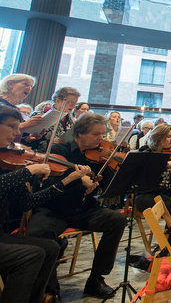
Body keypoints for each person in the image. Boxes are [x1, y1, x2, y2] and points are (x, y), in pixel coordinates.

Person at [25, 113, 127, 298]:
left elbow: (104, 189)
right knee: (38, 232)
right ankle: (49, 287)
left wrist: (101, 181)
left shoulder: (99, 157)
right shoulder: (60, 150)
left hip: (83, 209)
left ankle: (96, 279)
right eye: (96, 134)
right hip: (54, 209)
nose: (101, 139)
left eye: (102, 134)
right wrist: (79, 182)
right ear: (80, 133)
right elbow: (45, 185)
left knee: (117, 219)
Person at [0, 106, 94, 303]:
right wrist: (28, 172)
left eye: (19, 127)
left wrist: (65, 182)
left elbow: (28, 202)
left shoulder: (11, 162)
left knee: (50, 248)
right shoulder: (16, 168)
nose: (18, 133)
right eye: (11, 127)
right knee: (31, 255)